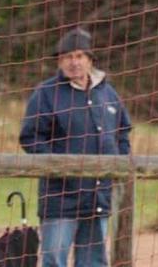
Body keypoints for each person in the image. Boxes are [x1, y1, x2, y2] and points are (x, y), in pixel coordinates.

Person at [19, 27, 132, 267]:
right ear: (59, 61)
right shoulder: (46, 94)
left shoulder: (108, 93)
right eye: (67, 57)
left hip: (99, 197)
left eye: (79, 56)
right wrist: (60, 166)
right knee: (53, 260)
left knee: (93, 262)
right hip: (60, 197)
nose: (74, 62)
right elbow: (30, 137)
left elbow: (123, 132)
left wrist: (118, 164)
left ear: (90, 60)